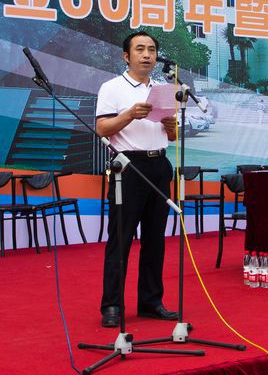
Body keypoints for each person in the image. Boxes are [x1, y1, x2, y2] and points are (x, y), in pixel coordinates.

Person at [95, 31, 179, 328]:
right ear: (126, 56)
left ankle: (151, 302)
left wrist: (171, 126)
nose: (147, 55)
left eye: (152, 50)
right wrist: (130, 114)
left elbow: (172, 136)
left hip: (159, 165)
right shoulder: (112, 87)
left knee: (155, 240)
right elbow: (102, 129)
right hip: (129, 168)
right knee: (121, 239)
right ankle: (112, 305)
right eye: (140, 49)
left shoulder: (163, 90)